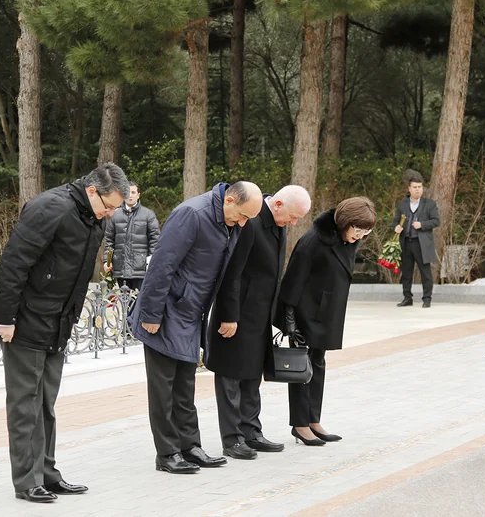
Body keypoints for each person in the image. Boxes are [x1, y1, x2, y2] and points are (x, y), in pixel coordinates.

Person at [0, 164, 130, 503]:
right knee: (25, 404)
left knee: (46, 403)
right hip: (25, 321)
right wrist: (5, 318)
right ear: (92, 190)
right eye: (108, 206)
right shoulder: (50, 207)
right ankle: (26, 480)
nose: (110, 214)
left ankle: (47, 473)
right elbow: (14, 262)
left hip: (57, 323)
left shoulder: (93, 217)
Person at [131, 181, 263, 473]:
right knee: (163, 387)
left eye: (247, 219)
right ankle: (167, 454)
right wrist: (151, 314)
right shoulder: (192, 214)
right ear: (229, 199)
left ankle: (190, 446)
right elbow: (162, 265)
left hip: (191, 313)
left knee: (185, 384)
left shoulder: (231, 221)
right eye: (242, 216)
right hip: (165, 311)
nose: (243, 223)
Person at [205, 186, 311, 458]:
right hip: (237, 314)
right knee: (230, 375)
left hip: (259, 314)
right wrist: (229, 315)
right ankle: (232, 439)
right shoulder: (249, 221)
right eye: (293, 216)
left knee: (252, 375)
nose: (294, 223)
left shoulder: (278, 222)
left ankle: (252, 432)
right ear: (277, 204)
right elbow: (231, 272)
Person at [276, 197, 377, 446]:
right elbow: (292, 282)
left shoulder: (347, 239)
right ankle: (300, 425)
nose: (361, 236)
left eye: (366, 231)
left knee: (318, 364)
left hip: (326, 313)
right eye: (359, 229)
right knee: (302, 369)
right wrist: (290, 323)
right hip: (305, 313)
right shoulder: (313, 241)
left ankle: (313, 419)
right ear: (345, 222)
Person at [393, 170, 440, 308]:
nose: (418, 190)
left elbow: (436, 221)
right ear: (409, 188)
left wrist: (422, 225)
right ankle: (407, 298)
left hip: (421, 243)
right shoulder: (402, 204)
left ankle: (427, 299)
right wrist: (396, 227)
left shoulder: (429, 204)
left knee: (425, 272)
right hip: (406, 242)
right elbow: (395, 221)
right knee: (406, 272)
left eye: (420, 187)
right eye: (415, 187)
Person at [103, 181, 160, 291]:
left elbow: (155, 240)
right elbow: (109, 240)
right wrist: (107, 261)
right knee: (125, 304)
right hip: (120, 267)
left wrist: (151, 261)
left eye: (133, 192)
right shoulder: (115, 215)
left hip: (141, 269)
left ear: (138, 195)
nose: (130, 195)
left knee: (138, 302)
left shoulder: (148, 215)